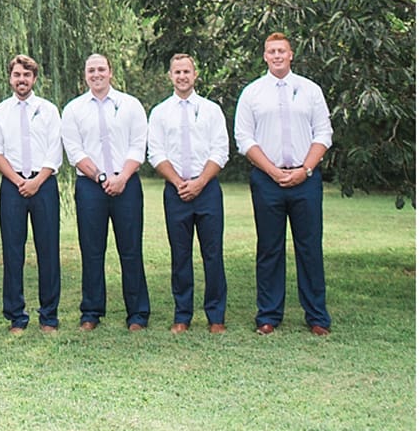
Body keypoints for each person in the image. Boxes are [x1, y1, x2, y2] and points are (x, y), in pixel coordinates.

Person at [233, 32, 334, 335]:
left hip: (305, 179)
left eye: (282, 51)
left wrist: (305, 169)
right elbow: (244, 138)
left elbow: (323, 133)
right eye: (271, 51)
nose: (276, 55)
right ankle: (268, 315)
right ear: (264, 56)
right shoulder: (252, 93)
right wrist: (273, 172)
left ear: (291, 55)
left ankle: (317, 317)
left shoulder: (310, 90)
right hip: (267, 180)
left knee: (310, 248)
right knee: (269, 248)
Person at [60, 53, 151, 330]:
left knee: (131, 249)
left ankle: (137, 314)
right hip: (90, 186)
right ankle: (91, 312)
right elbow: (74, 151)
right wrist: (101, 177)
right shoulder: (74, 109)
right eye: (91, 70)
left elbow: (138, 145)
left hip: (127, 183)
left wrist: (122, 177)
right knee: (92, 250)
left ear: (111, 72)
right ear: (85, 75)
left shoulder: (130, 105)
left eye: (101, 69)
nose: (96, 74)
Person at [148, 52, 230, 333]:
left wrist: (199, 182)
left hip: (207, 189)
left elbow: (220, 150)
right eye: (177, 72)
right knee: (180, 254)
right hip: (175, 190)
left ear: (195, 75)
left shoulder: (211, 110)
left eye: (187, 71)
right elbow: (155, 152)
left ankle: (216, 316)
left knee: (213, 253)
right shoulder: (160, 112)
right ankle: (182, 315)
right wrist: (178, 182)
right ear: (170, 76)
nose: (182, 76)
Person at [0, 53, 64, 336]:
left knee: (48, 250)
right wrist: (18, 180)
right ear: (10, 78)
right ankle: (16, 316)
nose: (22, 80)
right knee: (12, 251)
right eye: (17, 75)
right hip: (12, 185)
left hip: (43, 184)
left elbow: (54, 150)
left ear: (34, 78)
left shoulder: (48, 110)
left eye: (27, 75)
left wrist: (37, 181)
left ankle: (49, 316)